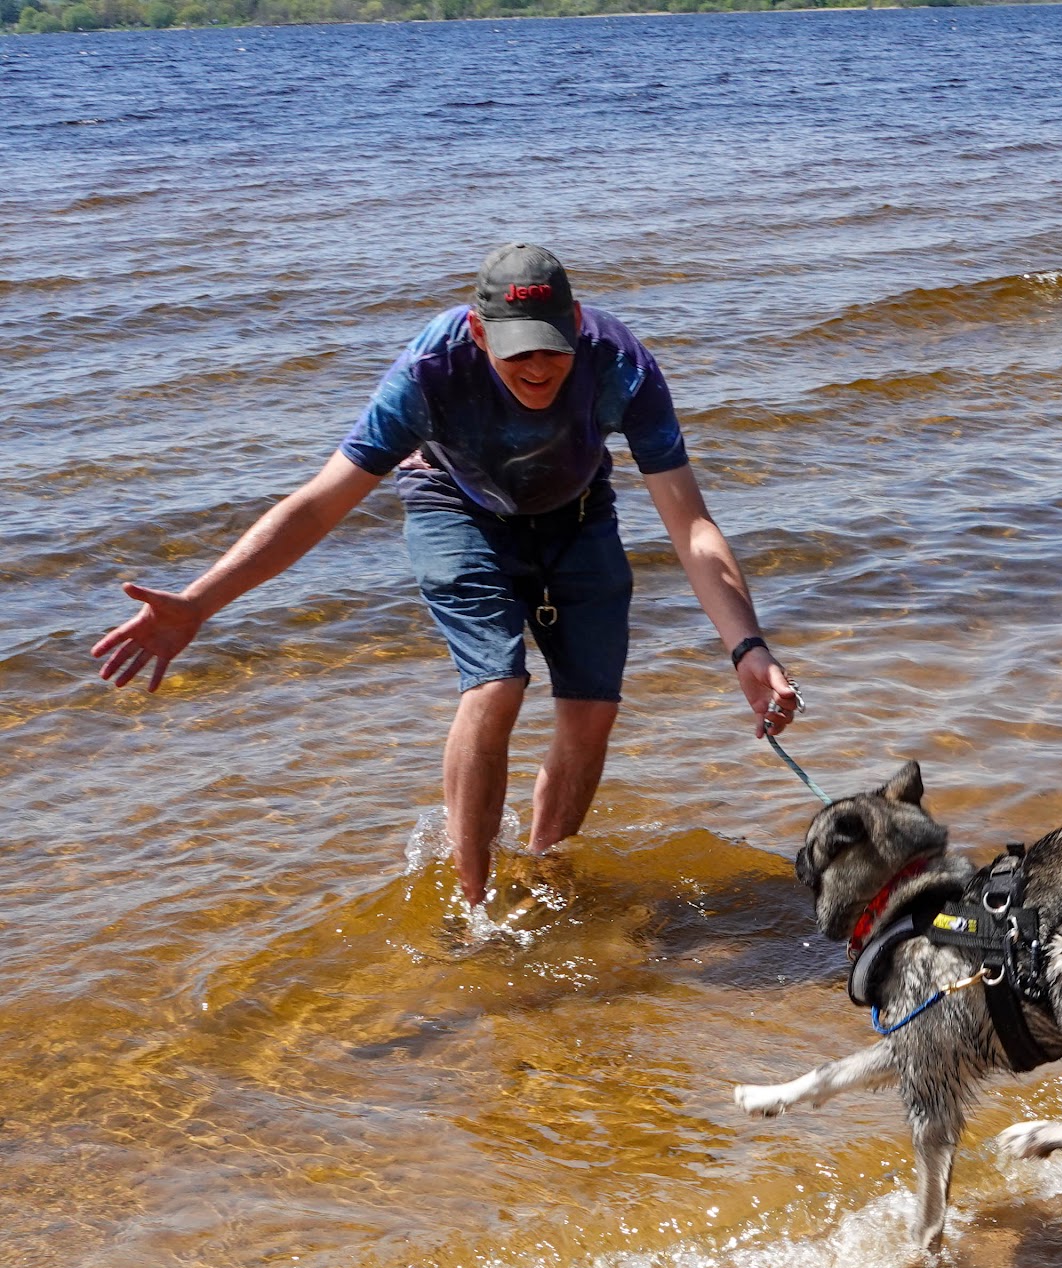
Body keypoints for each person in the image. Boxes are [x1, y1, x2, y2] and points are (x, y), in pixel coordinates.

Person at [92, 243, 799, 906]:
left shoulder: (620, 365)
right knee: (497, 684)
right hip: (454, 506)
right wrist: (197, 603)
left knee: (592, 711)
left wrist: (747, 647)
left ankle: (545, 874)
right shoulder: (428, 373)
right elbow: (317, 506)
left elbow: (690, 524)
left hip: (577, 511)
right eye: (517, 351)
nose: (537, 369)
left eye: (551, 349)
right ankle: (477, 903)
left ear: (576, 325)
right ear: (479, 331)